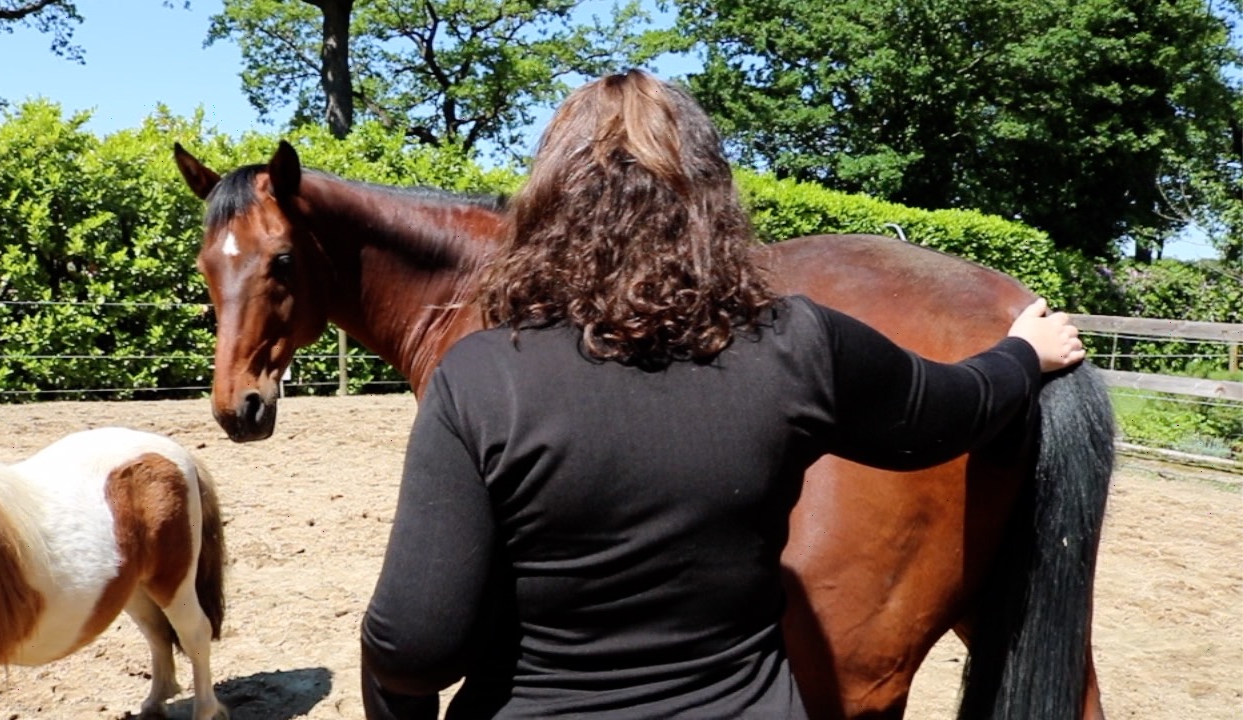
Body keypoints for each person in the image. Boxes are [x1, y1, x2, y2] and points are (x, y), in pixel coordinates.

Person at [359, 69, 1085, 720]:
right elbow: (954, 410)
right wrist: (1025, 353)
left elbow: (413, 649)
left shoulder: (481, 376)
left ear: (550, 203)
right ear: (710, 198)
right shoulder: (799, 344)